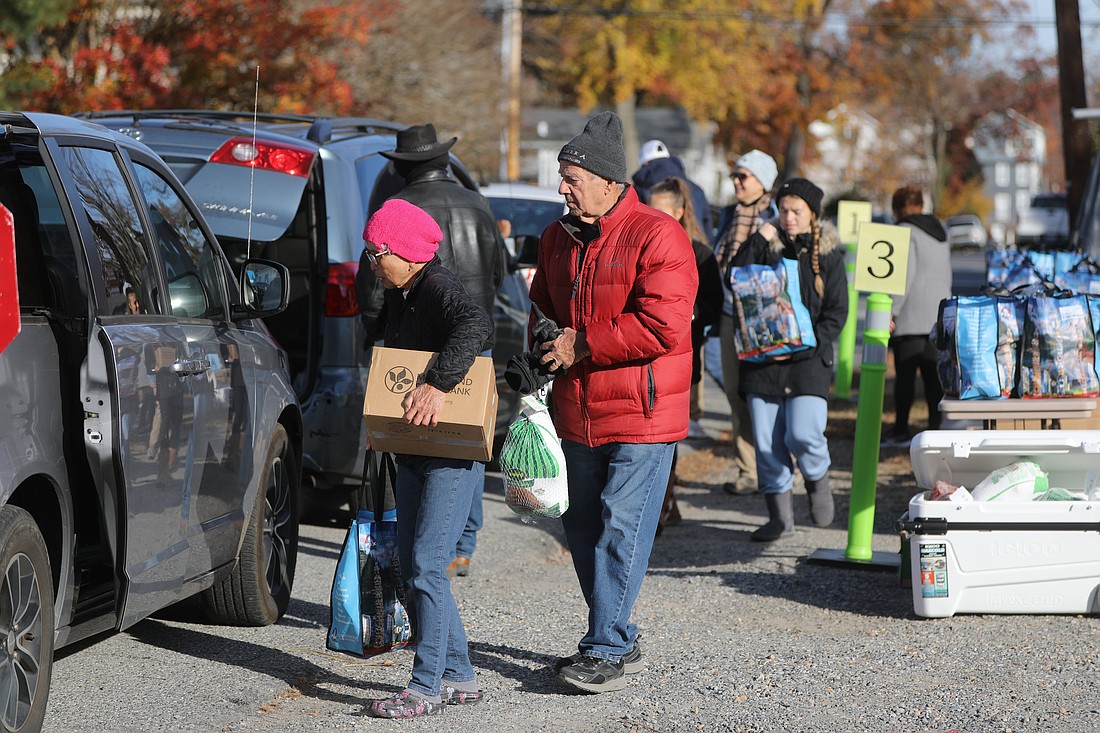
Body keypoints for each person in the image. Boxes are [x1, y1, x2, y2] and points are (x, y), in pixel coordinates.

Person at [528, 112, 697, 693]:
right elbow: (543, 308)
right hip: (576, 410)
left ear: (607, 181)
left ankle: (603, 647)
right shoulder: (555, 238)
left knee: (619, 528)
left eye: (571, 178)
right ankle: (617, 629)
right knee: (580, 528)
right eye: (561, 177)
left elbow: (663, 325)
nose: (562, 189)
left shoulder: (659, 235)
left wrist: (581, 342)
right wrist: (540, 349)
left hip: (645, 415)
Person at [361, 198, 492, 719]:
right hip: (416, 447)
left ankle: (424, 688)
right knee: (418, 567)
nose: (372, 262)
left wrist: (438, 385)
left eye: (378, 253)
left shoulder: (437, 288)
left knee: (427, 568)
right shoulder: (402, 291)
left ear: (408, 254)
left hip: (450, 457)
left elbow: (476, 324)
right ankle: (459, 676)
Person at [357, 123, 505, 579]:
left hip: (425, 354)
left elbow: (372, 294)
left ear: (403, 168)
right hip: (470, 352)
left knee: (430, 445)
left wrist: (383, 334)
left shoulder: (397, 214)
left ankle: (436, 549)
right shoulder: (478, 206)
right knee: (467, 443)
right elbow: (500, 274)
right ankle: (462, 542)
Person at [730, 177, 847, 542]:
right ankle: (780, 519)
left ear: (813, 213)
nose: (789, 217)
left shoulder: (826, 253)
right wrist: (761, 235)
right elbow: (735, 276)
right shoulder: (768, 245)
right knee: (767, 443)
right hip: (763, 360)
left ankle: (816, 478)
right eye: (784, 210)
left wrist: (814, 342)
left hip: (808, 361)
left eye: (797, 211)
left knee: (803, 432)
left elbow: (837, 311)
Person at [647, 177, 724, 532]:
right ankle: (663, 502)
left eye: (660, 212)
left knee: (667, 433)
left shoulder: (700, 253)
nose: (652, 218)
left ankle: (662, 503)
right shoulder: (640, 246)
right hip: (641, 354)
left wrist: (682, 311)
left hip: (682, 356)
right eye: (649, 210)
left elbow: (714, 305)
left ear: (679, 213)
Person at [711, 149, 779, 495]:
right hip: (727, 315)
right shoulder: (729, 215)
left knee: (767, 393)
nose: (737, 182)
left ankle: (777, 466)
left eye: (744, 176)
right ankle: (748, 469)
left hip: (762, 319)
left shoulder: (777, 217)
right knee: (735, 392)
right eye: (735, 176)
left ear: (763, 181)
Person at [881, 185, 952, 448]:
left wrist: (892, 310)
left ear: (897, 208)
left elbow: (904, 274)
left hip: (911, 314)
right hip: (937, 314)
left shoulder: (905, 232)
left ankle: (901, 430)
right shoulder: (941, 232)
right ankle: (934, 429)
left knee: (906, 379)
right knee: (934, 378)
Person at [631, 139, 713, 239]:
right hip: (695, 250)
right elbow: (708, 232)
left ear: (644, 163)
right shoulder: (697, 190)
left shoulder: (639, 190)